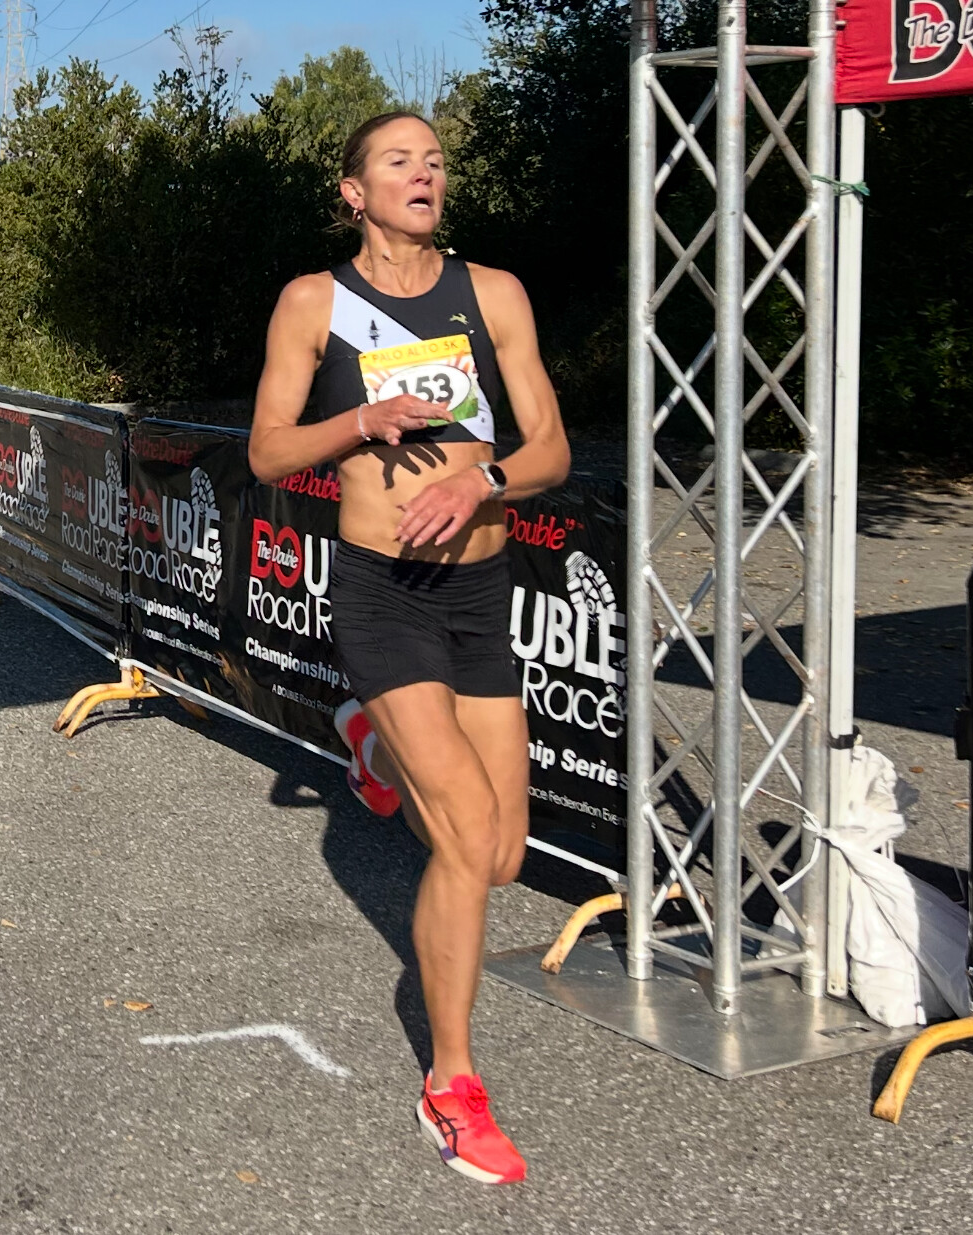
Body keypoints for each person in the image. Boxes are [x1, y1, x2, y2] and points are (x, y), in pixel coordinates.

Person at [248, 108, 570, 1186]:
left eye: (434, 159)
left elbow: (552, 447)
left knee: (503, 855)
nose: (424, 172)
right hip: (384, 593)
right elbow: (267, 451)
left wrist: (486, 480)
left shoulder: (495, 292)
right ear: (355, 192)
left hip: (477, 589)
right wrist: (361, 420)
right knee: (465, 836)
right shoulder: (315, 302)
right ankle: (452, 1084)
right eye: (400, 160)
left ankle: (374, 743)